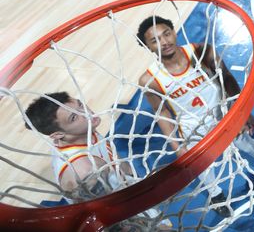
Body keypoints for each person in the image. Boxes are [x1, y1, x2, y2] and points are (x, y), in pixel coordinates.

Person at [136, 16, 254, 217]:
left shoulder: (200, 51)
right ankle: (216, 194)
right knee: (201, 165)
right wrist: (177, 147)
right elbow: (162, 112)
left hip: (223, 114)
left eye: (166, 34)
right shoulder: (149, 79)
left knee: (245, 144)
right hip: (192, 126)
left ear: (174, 32)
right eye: (155, 40)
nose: (165, 42)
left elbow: (227, 78)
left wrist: (242, 112)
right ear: (148, 47)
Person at [24, 92, 171, 227]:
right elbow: (115, 221)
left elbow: (116, 162)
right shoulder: (84, 173)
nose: (86, 113)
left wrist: (138, 180)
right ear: (57, 135)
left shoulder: (82, 130)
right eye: (74, 117)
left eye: (80, 105)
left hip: (125, 193)